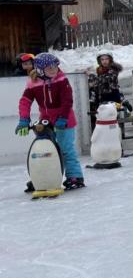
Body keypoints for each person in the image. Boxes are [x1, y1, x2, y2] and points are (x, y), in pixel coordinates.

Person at [17, 53, 85, 190]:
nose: (54, 70)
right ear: (40, 69)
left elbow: (67, 101)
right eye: (49, 68)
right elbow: (25, 101)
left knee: (66, 149)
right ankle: (43, 177)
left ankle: (75, 177)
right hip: (46, 120)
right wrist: (24, 119)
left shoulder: (61, 80)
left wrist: (63, 118)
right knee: (45, 149)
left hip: (64, 119)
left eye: (55, 66)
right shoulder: (32, 82)